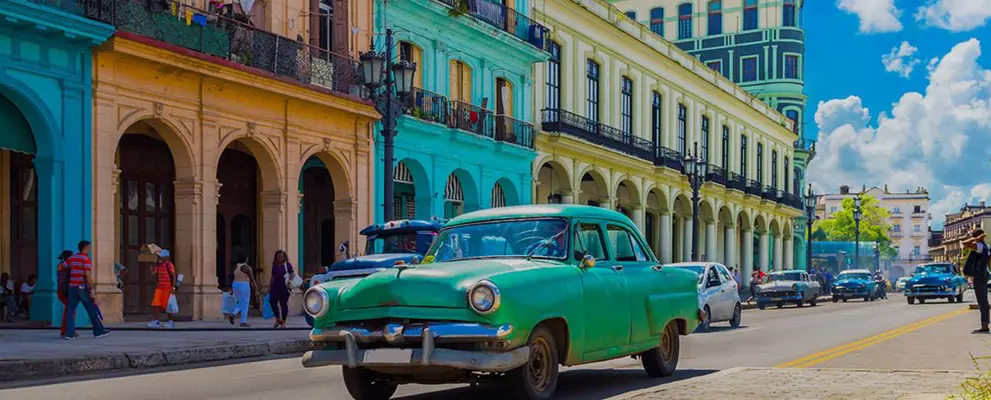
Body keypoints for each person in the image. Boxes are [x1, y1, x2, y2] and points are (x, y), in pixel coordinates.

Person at [64, 240, 110, 339]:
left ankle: (69, 333)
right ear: (86, 248)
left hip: (72, 287)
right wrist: (91, 288)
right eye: (89, 247)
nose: (90, 249)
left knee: (70, 310)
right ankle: (98, 331)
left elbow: (61, 267)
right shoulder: (85, 259)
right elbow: (87, 275)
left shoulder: (72, 258)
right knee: (91, 309)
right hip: (82, 288)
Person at [963, 229, 990, 333]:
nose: (972, 239)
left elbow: (965, 243)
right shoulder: (987, 247)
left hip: (979, 276)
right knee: (984, 301)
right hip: (984, 275)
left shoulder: (979, 246)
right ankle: (985, 324)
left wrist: (976, 239)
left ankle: (985, 325)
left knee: (982, 301)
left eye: (973, 236)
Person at [147, 250, 177, 328]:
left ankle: (170, 321)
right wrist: (151, 265)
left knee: (169, 305)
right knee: (155, 304)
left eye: (161, 256)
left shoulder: (169, 265)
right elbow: (153, 273)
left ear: (166, 257)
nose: (160, 257)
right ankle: (156, 321)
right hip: (159, 288)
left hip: (168, 288)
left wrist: (173, 287)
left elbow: (173, 275)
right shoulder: (159, 265)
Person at [268, 250, 297, 329]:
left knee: (283, 303)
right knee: (272, 301)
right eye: (278, 256)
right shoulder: (274, 264)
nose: (280, 257)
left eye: (281, 256)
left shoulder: (287, 264)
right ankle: (278, 319)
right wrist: (269, 286)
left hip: (284, 286)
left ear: (284, 257)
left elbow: (292, 274)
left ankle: (283, 321)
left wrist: (290, 282)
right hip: (275, 285)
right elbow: (272, 276)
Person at [229, 255, 258, 327]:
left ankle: (233, 314)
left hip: (235, 284)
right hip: (244, 285)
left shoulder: (235, 266)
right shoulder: (247, 267)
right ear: (246, 259)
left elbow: (230, 276)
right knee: (245, 303)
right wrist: (256, 290)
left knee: (240, 302)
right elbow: (252, 279)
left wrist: (231, 288)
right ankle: (243, 321)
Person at [56, 250, 76, 338]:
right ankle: (66, 331)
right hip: (64, 291)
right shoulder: (63, 265)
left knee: (70, 311)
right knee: (70, 311)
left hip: (65, 291)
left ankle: (68, 330)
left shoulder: (65, 265)